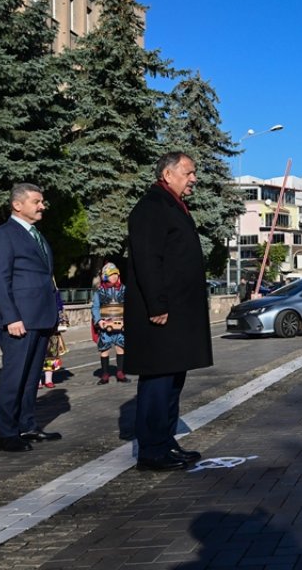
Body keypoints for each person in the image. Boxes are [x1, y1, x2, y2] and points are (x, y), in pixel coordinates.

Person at [125, 152, 215, 471]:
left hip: (177, 312)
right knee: (158, 380)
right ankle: (151, 450)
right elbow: (148, 260)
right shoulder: (151, 208)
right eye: (189, 172)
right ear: (168, 174)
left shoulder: (170, 204)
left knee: (173, 379)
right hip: (160, 314)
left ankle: (165, 441)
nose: (194, 179)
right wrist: (157, 304)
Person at [0, 183, 61, 453]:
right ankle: (6, 434)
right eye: (37, 201)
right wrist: (11, 317)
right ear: (18, 205)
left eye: (42, 201)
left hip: (40, 317)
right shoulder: (4, 235)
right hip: (20, 320)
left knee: (31, 377)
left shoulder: (35, 234)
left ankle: (27, 425)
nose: (42, 206)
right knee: (14, 377)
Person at [91, 262, 128, 384]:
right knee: (104, 349)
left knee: (120, 347)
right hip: (106, 324)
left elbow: (129, 306)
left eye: (116, 274)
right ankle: (105, 374)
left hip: (121, 323)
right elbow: (95, 307)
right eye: (111, 275)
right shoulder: (100, 291)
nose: (114, 277)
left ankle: (120, 372)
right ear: (105, 276)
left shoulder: (124, 289)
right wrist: (99, 320)